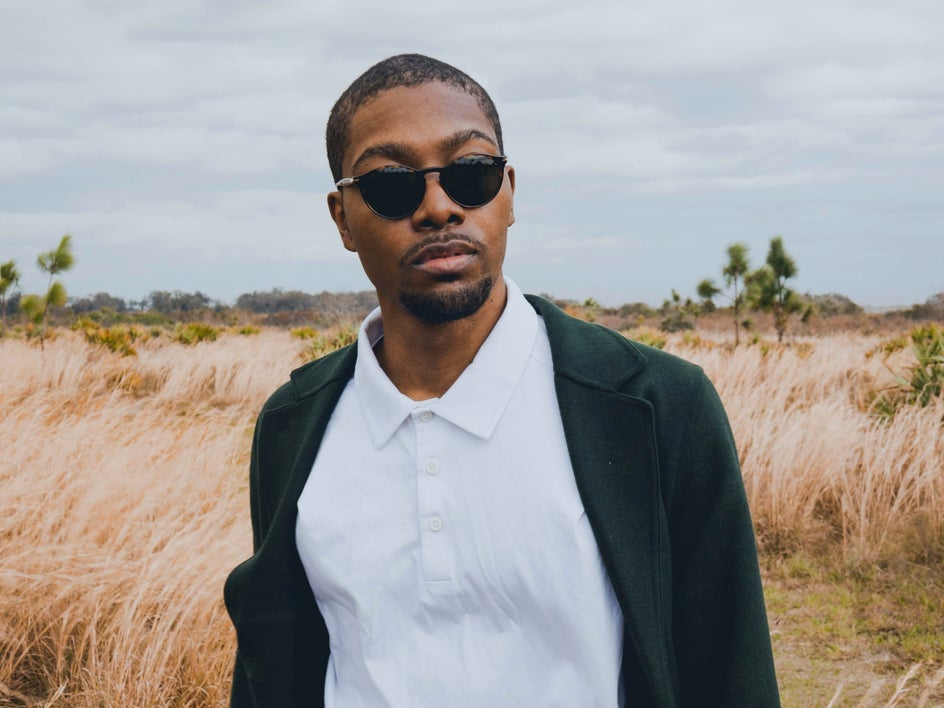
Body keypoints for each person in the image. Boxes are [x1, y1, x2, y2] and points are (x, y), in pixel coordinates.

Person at [224, 53, 780, 707]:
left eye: (471, 173)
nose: (437, 207)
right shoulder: (295, 424)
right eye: (391, 183)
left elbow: (728, 669)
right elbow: (275, 668)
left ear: (509, 190)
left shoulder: (657, 405)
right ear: (342, 216)